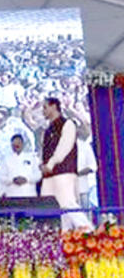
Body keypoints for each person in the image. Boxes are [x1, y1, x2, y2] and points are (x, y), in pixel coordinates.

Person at [40, 98, 91, 230]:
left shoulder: (67, 124)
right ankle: (67, 235)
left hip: (64, 171)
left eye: (45, 107)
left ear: (54, 106)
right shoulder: (48, 129)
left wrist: (51, 164)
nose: (43, 111)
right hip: (50, 174)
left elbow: (64, 147)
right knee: (59, 208)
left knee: (68, 202)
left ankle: (89, 231)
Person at [76, 123, 97, 209]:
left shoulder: (84, 146)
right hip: (66, 191)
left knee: (85, 214)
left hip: (82, 188)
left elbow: (93, 166)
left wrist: (78, 173)